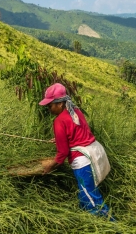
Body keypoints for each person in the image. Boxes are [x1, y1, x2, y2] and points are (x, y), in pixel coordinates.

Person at [40, 83, 114, 221]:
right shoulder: (75, 111)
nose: (48, 108)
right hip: (95, 151)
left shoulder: (59, 121)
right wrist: (59, 138)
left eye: (50, 105)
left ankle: (116, 229)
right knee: (85, 193)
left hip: (83, 161)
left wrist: (50, 166)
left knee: (92, 199)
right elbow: (77, 133)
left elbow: (62, 154)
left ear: (60, 103)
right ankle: (85, 220)